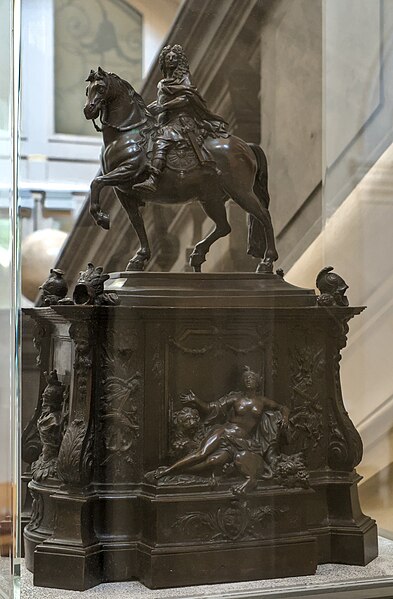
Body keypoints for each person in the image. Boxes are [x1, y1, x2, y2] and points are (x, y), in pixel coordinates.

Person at [156, 366, 290, 493]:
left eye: (251, 378)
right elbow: (212, 408)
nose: (248, 380)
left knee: (211, 461)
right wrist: (196, 400)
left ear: (258, 382)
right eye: (246, 378)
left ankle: (181, 471)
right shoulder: (236, 398)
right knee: (201, 453)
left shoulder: (262, 401)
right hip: (225, 432)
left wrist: (285, 417)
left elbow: (283, 407)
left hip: (243, 441)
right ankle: (168, 470)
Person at [133, 44, 228, 193]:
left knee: (162, 140)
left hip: (181, 121)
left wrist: (164, 107)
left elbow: (185, 99)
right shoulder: (163, 83)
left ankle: (153, 179)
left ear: (179, 61)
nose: (170, 60)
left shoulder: (184, 79)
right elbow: (160, 103)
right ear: (163, 61)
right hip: (166, 121)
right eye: (167, 58)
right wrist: (145, 109)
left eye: (174, 57)